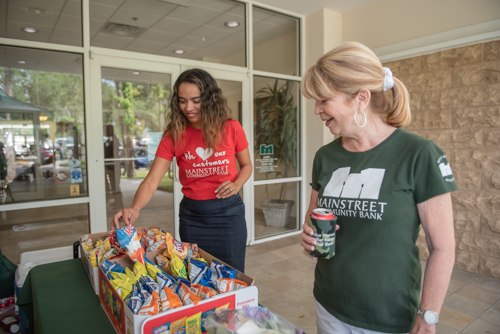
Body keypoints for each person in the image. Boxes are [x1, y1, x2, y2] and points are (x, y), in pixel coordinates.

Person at [300, 42, 457, 334]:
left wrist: (428, 316)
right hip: (328, 303)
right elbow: (313, 219)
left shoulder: (420, 154)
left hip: (388, 317)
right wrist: (309, 238)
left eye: (323, 100)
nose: (316, 110)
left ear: (360, 98)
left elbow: (443, 248)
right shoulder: (325, 156)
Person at [112, 68, 252, 272]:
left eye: (196, 100)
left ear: (210, 99)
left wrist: (237, 183)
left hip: (228, 215)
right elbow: (152, 180)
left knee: (232, 276)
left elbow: (247, 165)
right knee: (194, 276)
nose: (189, 107)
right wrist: (135, 207)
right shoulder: (174, 135)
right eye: (182, 100)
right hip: (193, 217)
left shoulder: (231, 128)